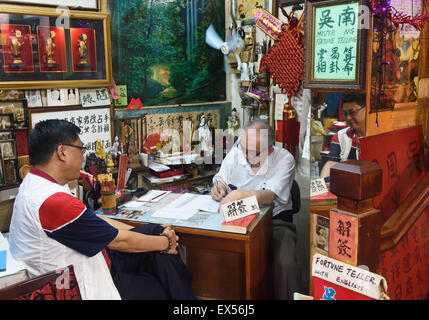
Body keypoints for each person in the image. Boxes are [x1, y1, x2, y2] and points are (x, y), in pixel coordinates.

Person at [8, 119, 195, 300]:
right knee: (160, 286)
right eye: (81, 149)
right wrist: (166, 243)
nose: (83, 157)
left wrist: (156, 237)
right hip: (77, 283)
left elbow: (96, 223)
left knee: (155, 231)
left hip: (95, 258)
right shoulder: (52, 201)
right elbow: (118, 242)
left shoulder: (36, 183)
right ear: (62, 152)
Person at [210, 119, 300, 299]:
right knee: (216, 254)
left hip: (275, 223)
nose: (244, 156)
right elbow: (221, 177)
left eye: (252, 153)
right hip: (236, 220)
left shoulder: (284, 159)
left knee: (285, 262)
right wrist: (218, 186)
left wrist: (241, 194)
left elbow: (269, 196)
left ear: (270, 149)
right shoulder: (238, 153)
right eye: (243, 149)